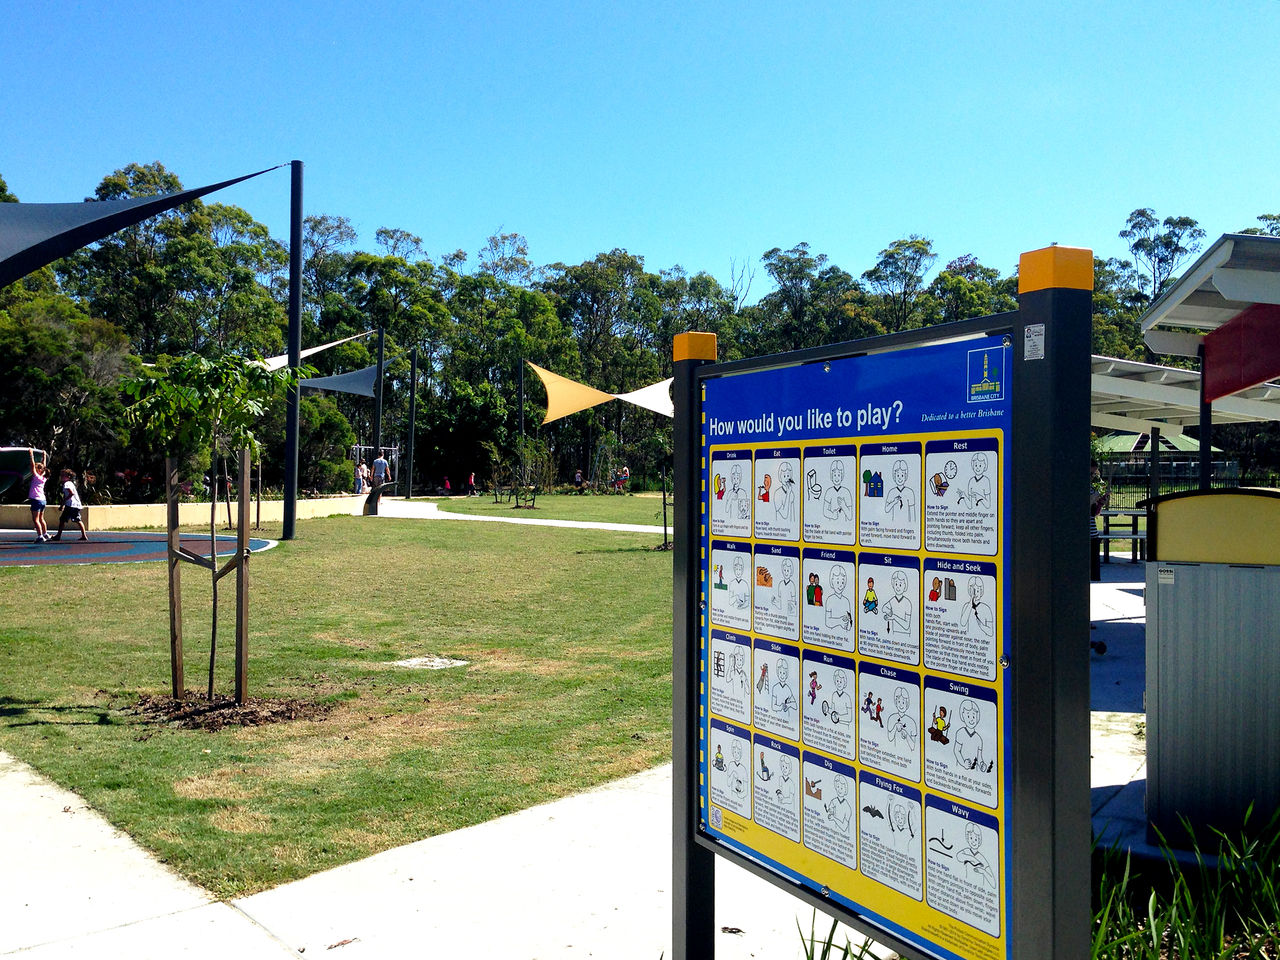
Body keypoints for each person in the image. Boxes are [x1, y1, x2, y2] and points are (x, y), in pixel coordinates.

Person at [50, 469, 88, 541]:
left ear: (68, 477)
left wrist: (64, 501)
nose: (61, 477)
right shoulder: (70, 483)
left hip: (71, 505)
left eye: (63, 475)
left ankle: (58, 536)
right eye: (61, 475)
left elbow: (71, 493)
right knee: (77, 519)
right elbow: (66, 494)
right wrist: (62, 505)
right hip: (75, 505)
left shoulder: (67, 484)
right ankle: (84, 535)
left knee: (62, 520)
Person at [1090, 459, 1109, 582]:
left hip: (1092, 532)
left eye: (1093, 474)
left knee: (1095, 572)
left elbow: (1094, 512)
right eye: (1090, 474)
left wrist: (1101, 503)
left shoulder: (1091, 488)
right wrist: (1095, 497)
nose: (1092, 477)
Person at [27, 448, 50, 542]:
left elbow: (32, 466)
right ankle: (45, 534)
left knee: (35, 519)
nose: (34, 469)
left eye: (37, 468)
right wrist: (44, 456)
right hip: (43, 500)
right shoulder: (44, 478)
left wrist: (31, 454)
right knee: (41, 518)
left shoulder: (36, 476)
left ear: (39, 470)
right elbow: (44, 466)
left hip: (36, 500)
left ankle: (40, 536)